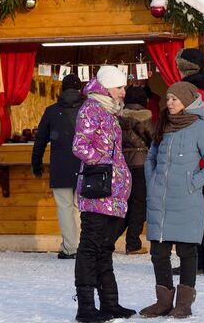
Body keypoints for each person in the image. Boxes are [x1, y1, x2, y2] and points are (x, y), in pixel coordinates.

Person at [139, 82, 204, 319]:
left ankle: (184, 303)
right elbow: (152, 156)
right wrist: (151, 178)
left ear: (187, 101)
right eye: (168, 99)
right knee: (158, 252)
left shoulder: (200, 128)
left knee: (187, 251)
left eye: (175, 99)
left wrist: (192, 183)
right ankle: (163, 302)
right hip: (161, 199)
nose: (170, 103)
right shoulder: (163, 124)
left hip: (186, 199)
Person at [71, 66, 135, 322]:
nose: (123, 92)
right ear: (107, 87)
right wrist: (104, 164)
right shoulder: (91, 109)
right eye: (120, 87)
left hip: (114, 192)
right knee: (90, 247)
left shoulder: (109, 111)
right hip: (98, 190)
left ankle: (109, 303)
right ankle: (85, 306)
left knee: (105, 248)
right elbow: (79, 146)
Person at [175, 48, 204, 275]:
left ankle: (191, 262)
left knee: (187, 212)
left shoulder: (184, 91)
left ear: (184, 68)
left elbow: (177, 124)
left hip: (187, 161)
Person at [31, 74, 83, 259]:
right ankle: (81, 246)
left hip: (60, 165)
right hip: (84, 165)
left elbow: (40, 140)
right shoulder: (88, 110)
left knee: (65, 208)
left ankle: (70, 248)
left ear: (62, 90)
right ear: (80, 89)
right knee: (80, 207)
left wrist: (36, 163)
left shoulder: (52, 111)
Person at [117, 86, 154, 255]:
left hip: (122, 165)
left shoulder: (117, 117)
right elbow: (154, 140)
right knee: (139, 205)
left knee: (123, 204)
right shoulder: (145, 118)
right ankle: (133, 243)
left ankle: (108, 240)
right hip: (141, 165)